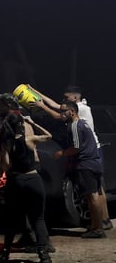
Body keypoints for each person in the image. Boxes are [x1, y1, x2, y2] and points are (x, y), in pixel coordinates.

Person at [30, 84, 112, 230]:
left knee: (93, 192)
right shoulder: (80, 109)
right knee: (98, 190)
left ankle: (98, 225)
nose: (63, 101)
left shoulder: (80, 111)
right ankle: (104, 220)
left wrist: (41, 106)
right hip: (93, 151)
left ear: (75, 98)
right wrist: (35, 92)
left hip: (88, 153)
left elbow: (57, 114)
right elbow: (56, 105)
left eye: (66, 98)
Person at [0, 108, 53, 263]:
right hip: (34, 179)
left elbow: (6, 166)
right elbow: (49, 136)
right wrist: (33, 123)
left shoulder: (7, 144)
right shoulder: (29, 139)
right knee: (38, 219)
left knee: (12, 219)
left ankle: (5, 252)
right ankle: (43, 254)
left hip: (16, 181)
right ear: (21, 124)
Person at [55, 101, 108, 238]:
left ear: (72, 111)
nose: (62, 114)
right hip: (95, 163)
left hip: (86, 164)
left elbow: (77, 147)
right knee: (94, 195)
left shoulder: (75, 126)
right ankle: (97, 225)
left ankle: (97, 229)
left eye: (64, 111)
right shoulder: (84, 123)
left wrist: (62, 153)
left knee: (92, 196)